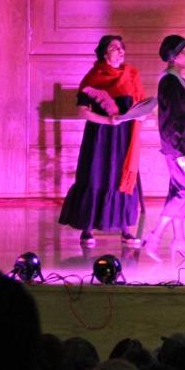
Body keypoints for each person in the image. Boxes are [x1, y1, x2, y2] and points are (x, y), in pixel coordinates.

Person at [59, 34, 146, 248]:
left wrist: (142, 115)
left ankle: (125, 229)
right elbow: (82, 111)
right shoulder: (93, 77)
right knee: (95, 175)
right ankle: (87, 229)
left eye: (122, 47)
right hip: (99, 136)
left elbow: (141, 105)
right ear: (104, 53)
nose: (120, 50)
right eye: (115, 47)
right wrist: (107, 120)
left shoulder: (132, 75)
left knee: (120, 176)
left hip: (124, 136)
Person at [142, 34, 185, 258]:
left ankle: (179, 241)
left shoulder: (177, 79)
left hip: (184, 144)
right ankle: (154, 237)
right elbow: (169, 120)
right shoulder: (170, 81)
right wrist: (179, 153)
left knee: (178, 191)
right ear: (173, 56)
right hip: (178, 147)